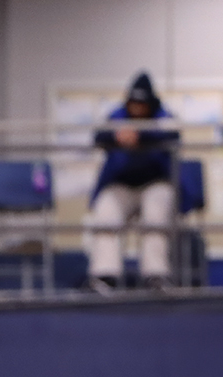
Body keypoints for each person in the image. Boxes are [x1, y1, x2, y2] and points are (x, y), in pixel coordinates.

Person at [86, 71, 180, 293]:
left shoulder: (163, 117)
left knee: (155, 217)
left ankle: (155, 276)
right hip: (122, 185)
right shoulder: (117, 116)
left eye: (142, 104)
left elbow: (172, 136)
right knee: (105, 212)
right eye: (133, 103)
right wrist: (116, 136)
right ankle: (105, 276)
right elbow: (99, 137)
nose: (137, 108)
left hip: (156, 183)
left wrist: (141, 136)